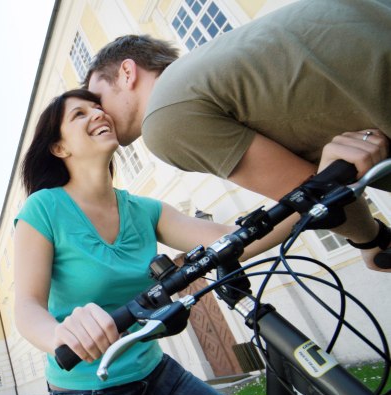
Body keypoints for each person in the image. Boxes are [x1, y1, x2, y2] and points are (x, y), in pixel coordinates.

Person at [14, 89, 281, 395]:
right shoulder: (43, 209)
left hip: (159, 377)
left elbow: (229, 240)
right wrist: (58, 335)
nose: (98, 114)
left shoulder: (144, 209)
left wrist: (313, 197)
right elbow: (27, 306)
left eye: (98, 107)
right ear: (60, 148)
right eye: (79, 114)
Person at [84, 0, 391, 271]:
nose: (97, 113)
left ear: (127, 72)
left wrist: (372, 241)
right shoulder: (213, 63)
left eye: (96, 99)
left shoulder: (164, 120)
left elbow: (315, 197)